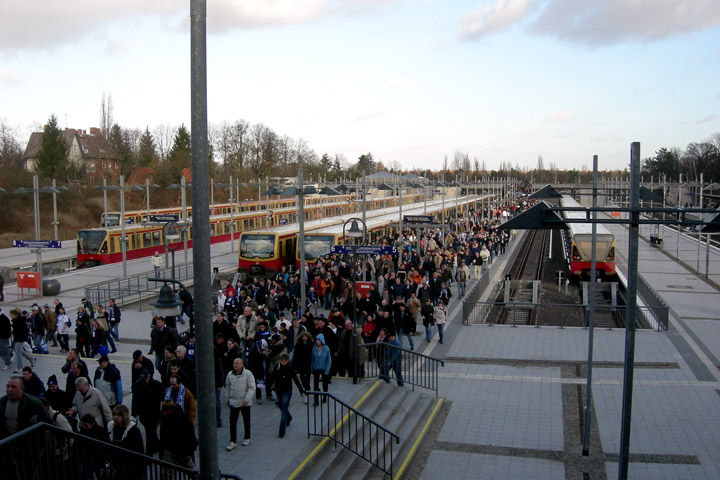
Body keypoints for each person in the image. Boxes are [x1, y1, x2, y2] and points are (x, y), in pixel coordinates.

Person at [270, 353, 305, 438]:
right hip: (278, 390)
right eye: (281, 362)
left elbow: (296, 380)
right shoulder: (277, 367)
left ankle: (281, 432)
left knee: (283, 411)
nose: (283, 363)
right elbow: (273, 376)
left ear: (287, 361)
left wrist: (301, 390)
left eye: (284, 362)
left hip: (287, 391)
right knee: (282, 406)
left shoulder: (290, 369)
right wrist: (273, 383)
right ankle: (288, 418)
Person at [224, 357, 256, 450]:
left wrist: (247, 399)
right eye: (234, 363)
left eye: (237, 363)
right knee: (232, 422)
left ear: (242, 365)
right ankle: (232, 441)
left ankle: (247, 437)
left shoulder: (248, 374)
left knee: (246, 421)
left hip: (245, 403)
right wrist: (227, 399)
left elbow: (252, 387)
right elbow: (228, 387)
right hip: (233, 402)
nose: (235, 365)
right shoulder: (230, 374)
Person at [131, 369, 164, 456]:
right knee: (151, 432)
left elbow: (162, 398)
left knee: (150, 433)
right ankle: (157, 445)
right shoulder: (138, 385)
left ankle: (149, 454)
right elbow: (135, 399)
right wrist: (134, 412)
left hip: (154, 414)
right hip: (143, 414)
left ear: (149, 377)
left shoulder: (157, 385)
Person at [159, 401, 196, 470]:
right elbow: (162, 435)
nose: (165, 413)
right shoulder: (164, 417)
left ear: (172, 409)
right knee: (166, 471)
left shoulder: (183, 419)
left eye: (167, 411)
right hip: (169, 449)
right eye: (164, 411)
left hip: (182, 450)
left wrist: (189, 452)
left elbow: (190, 436)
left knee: (191, 470)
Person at [311, 334, 332, 406]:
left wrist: (327, 370)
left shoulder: (326, 349)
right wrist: (312, 369)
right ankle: (316, 400)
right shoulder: (313, 349)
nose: (317, 341)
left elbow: (329, 360)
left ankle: (325, 396)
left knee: (325, 383)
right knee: (315, 385)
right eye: (316, 340)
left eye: (319, 340)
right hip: (316, 368)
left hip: (324, 368)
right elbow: (312, 360)